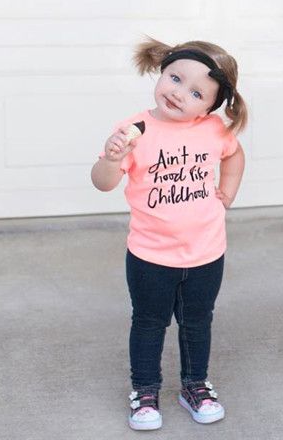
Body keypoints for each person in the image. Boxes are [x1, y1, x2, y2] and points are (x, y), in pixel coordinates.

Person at [91, 38, 247, 430]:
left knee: (197, 321)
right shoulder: (135, 130)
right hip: (150, 254)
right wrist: (111, 160)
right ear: (162, 71)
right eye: (175, 78)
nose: (179, 93)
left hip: (206, 253)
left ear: (210, 106)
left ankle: (195, 384)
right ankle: (144, 390)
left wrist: (227, 191)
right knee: (148, 321)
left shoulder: (213, 130)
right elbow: (102, 183)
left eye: (196, 93)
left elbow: (235, 154)